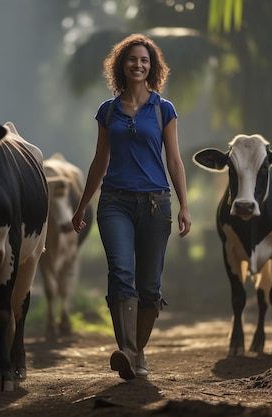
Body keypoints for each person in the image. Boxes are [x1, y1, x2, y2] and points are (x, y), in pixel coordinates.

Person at [72, 33, 192, 380]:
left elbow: (174, 160)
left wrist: (184, 205)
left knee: (149, 286)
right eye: (132, 60)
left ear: (152, 67)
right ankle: (126, 350)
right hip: (114, 203)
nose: (138, 65)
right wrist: (81, 207)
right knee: (121, 273)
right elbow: (99, 161)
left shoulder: (163, 109)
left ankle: (138, 352)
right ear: (120, 66)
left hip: (156, 204)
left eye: (144, 60)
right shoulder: (107, 110)